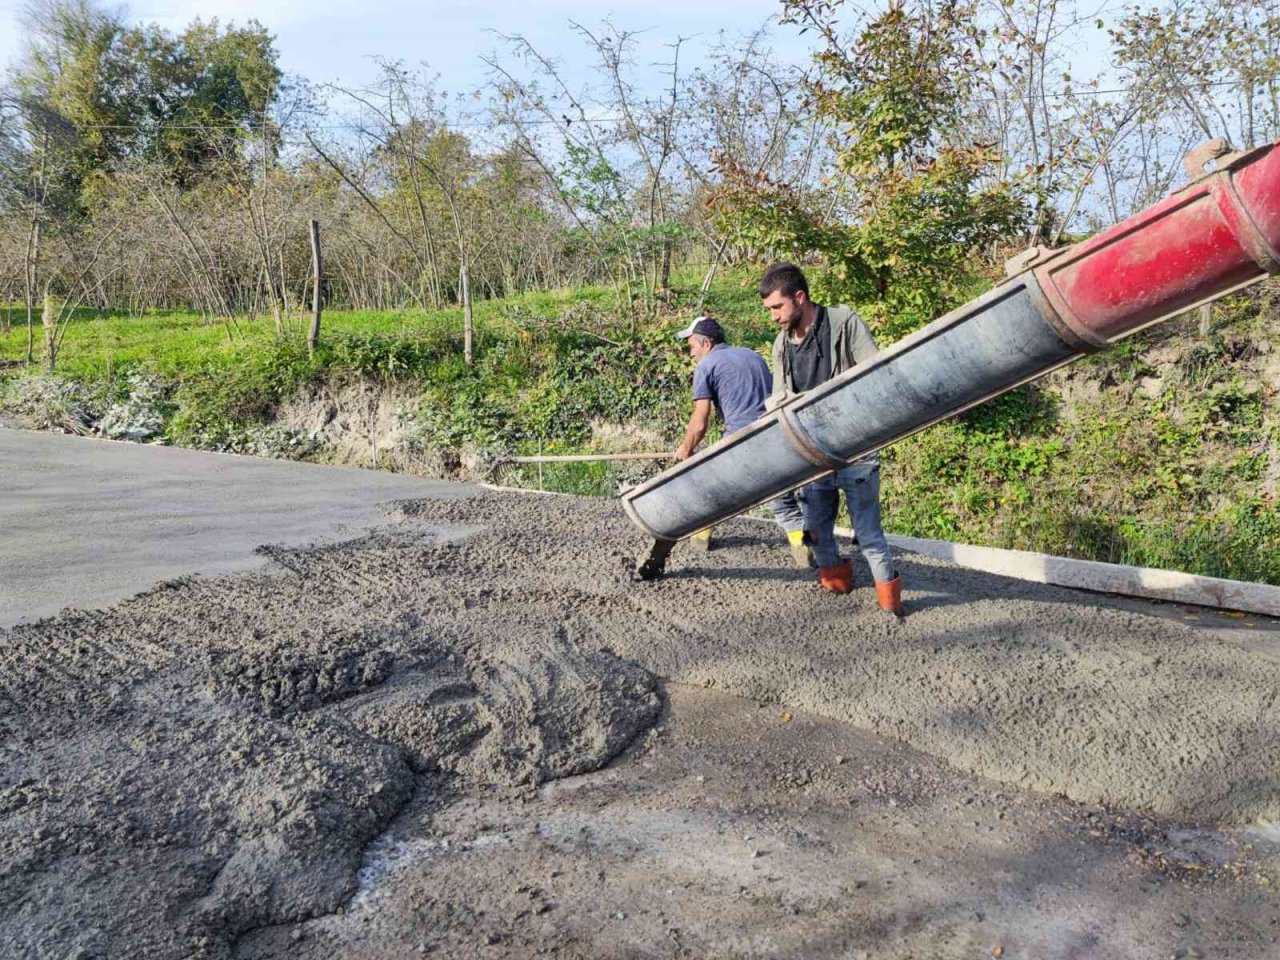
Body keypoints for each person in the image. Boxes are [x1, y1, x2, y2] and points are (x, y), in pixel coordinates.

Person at [759, 262, 904, 614]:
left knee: (868, 534)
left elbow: (875, 375)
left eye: (777, 307)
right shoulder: (782, 344)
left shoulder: (844, 324)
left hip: (856, 451)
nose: (774, 317)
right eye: (769, 310)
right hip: (815, 457)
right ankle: (838, 585)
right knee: (815, 532)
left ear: (800, 297)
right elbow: (780, 399)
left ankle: (891, 605)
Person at [673, 315, 809, 567]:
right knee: (780, 498)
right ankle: (803, 553)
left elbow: (701, 420)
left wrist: (686, 448)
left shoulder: (706, 365)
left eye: (691, 346)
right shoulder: (752, 355)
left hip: (740, 439)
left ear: (707, 344)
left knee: (709, 485)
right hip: (774, 432)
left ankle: (700, 542)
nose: (690, 353)